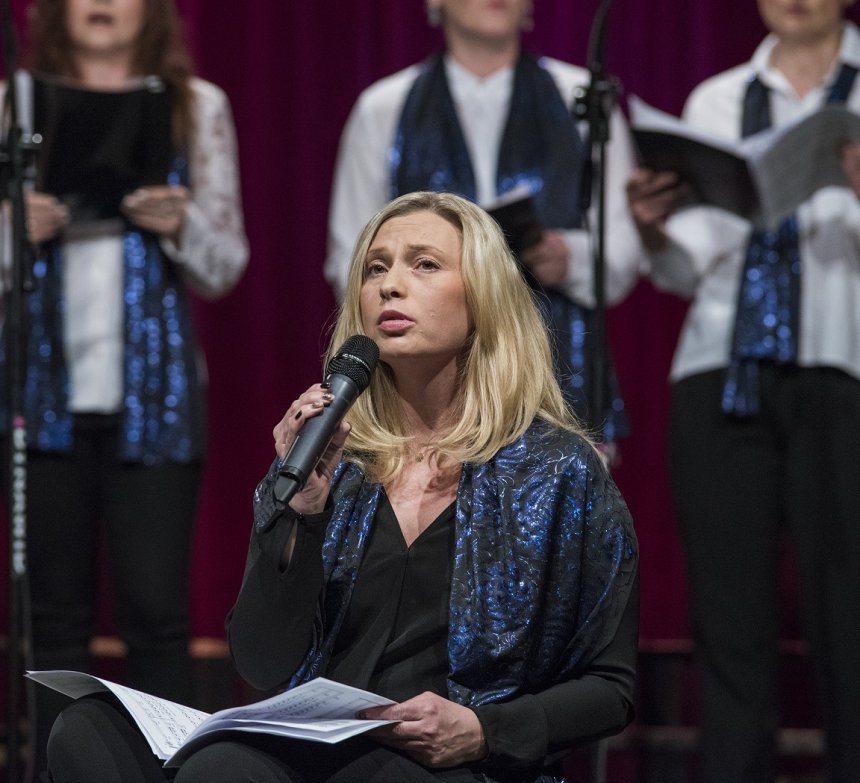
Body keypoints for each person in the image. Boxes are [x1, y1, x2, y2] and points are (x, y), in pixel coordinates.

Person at [45, 191, 639, 783]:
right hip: (317, 745)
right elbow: (261, 663)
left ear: (485, 296)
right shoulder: (331, 461)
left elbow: (610, 688)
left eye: (424, 264)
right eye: (376, 268)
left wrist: (483, 731)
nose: (390, 285)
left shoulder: (557, 470)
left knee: (228, 771)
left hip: (456, 763)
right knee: (91, 731)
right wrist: (299, 511)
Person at [0, 0, 248, 772]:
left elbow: (225, 263)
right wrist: (13, 229)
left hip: (159, 402)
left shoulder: (195, 105)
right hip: (42, 401)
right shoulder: (14, 102)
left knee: (157, 612)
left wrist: (180, 223)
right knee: (53, 615)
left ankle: (168, 771)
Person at [626, 1, 860, 781]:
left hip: (843, 369)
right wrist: (653, 227)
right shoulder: (718, 100)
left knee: (849, 618)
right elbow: (685, 267)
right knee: (729, 624)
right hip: (720, 375)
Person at [326, 0, 644, 446]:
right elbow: (352, 255)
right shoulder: (384, 107)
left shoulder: (582, 97)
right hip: (424, 391)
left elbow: (625, 245)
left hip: (559, 362)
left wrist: (568, 258)